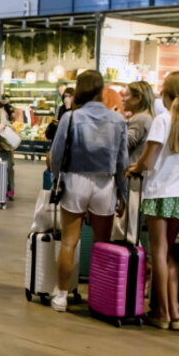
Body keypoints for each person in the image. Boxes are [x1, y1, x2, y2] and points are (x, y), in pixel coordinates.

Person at [126, 71, 179, 330]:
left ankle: (162, 312)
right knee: (168, 253)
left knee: (158, 253)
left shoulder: (162, 120)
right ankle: (174, 313)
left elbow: (147, 161)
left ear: (165, 93)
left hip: (160, 192)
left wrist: (134, 168)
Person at [48, 70, 129, 312]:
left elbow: (57, 155)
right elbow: (122, 161)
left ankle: (61, 295)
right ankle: (100, 296)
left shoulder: (71, 118)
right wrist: (122, 193)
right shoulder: (117, 120)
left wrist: (56, 181)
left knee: (69, 242)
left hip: (75, 180)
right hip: (105, 182)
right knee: (102, 243)